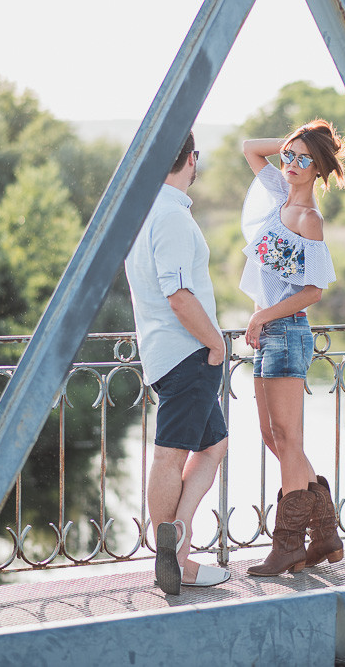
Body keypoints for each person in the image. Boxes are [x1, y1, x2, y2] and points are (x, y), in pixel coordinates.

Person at [240, 119, 345, 577]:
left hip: (286, 331)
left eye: (304, 160)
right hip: (268, 334)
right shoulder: (276, 194)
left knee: (289, 440)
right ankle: (323, 528)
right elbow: (250, 148)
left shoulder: (309, 220)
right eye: (289, 155)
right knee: (273, 437)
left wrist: (261, 315)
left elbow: (313, 291)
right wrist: (301, 137)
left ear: (320, 170)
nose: (290, 163)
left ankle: (287, 544)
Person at [125, 132, 230, 595]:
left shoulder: (144, 213)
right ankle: (172, 559)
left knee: (214, 447)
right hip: (188, 352)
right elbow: (178, 295)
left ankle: (177, 541)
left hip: (168, 352)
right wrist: (216, 345)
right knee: (171, 455)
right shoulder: (169, 217)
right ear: (192, 158)